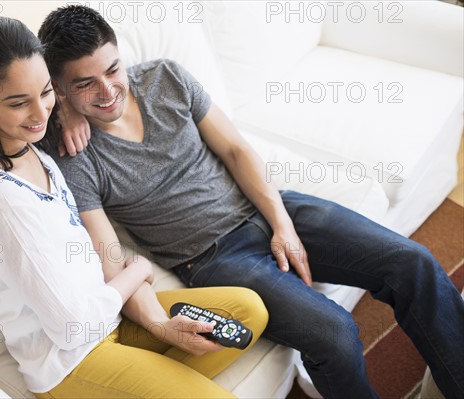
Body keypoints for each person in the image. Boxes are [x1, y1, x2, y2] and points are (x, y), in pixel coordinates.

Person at [37, 5, 464, 398]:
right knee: (333, 332)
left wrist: (283, 224)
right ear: (57, 86)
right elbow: (108, 257)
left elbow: (237, 151)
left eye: (113, 70)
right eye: (85, 84)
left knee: (413, 262)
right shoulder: (74, 157)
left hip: (273, 207)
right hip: (214, 258)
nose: (109, 90)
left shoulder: (165, 77)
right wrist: (63, 109)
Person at [0, 16, 268, 399]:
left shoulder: (29, 147)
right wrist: (136, 273)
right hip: (72, 357)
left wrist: (69, 108)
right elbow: (72, 328)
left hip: (109, 317)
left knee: (247, 310)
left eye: (45, 93)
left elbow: (68, 85)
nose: (39, 113)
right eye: (18, 103)